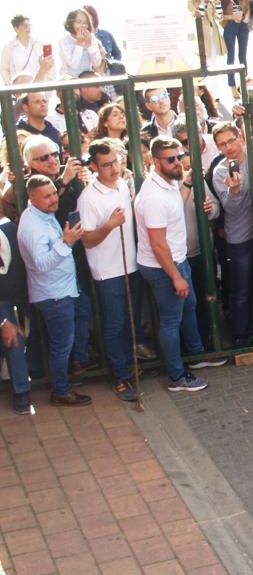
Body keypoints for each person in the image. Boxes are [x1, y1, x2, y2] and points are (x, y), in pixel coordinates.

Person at [134, 137, 210, 392]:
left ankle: (196, 355)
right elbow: (158, 244)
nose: (177, 161)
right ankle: (177, 377)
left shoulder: (167, 185)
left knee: (189, 305)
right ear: (156, 162)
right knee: (170, 320)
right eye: (171, 159)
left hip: (177, 260)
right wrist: (176, 277)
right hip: (164, 267)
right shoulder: (154, 196)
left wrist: (187, 183)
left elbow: (176, 203)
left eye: (179, 156)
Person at [17, 175, 93, 406]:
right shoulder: (32, 226)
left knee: (84, 313)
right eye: (47, 196)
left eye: (53, 193)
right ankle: (61, 390)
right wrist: (66, 242)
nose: (53, 199)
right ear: (32, 198)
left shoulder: (42, 214)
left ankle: (79, 361)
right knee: (62, 344)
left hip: (66, 289)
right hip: (54, 295)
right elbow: (40, 264)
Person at [77, 139, 141, 402]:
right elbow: (88, 239)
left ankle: (128, 366)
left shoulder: (122, 184)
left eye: (115, 162)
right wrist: (110, 225)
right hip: (108, 271)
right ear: (94, 166)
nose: (113, 169)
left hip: (131, 265)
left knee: (130, 320)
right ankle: (119, 375)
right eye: (106, 165)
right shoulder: (88, 197)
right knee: (115, 324)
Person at [170, 120, 225, 359]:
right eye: (176, 155)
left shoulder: (197, 179)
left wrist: (209, 208)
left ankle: (206, 341)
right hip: (178, 256)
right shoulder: (166, 186)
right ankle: (193, 350)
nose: (180, 159)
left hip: (201, 250)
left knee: (205, 299)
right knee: (184, 306)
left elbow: (216, 209)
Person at [210, 121, 253, 346]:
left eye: (231, 140)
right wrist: (234, 190)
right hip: (239, 237)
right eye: (222, 144)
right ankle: (241, 335)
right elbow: (231, 208)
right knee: (240, 289)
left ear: (240, 136)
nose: (229, 146)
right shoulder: (220, 170)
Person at [0, 215, 33, 414]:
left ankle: (22, 391)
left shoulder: (8, 226)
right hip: (4, 304)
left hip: (14, 298)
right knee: (14, 340)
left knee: (17, 340)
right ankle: (21, 394)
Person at [2, 15, 55, 86]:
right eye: (24, 25)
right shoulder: (8, 47)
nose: (28, 28)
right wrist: (12, 87)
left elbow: (50, 65)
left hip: (39, 88)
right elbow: (4, 69)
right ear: (16, 29)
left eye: (29, 25)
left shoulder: (38, 44)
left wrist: (48, 88)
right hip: (19, 90)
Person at [219, 0, 252, 74]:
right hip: (230, 26)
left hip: (243, 25)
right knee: (231, 56)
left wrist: (246, 17)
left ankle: (245, 80)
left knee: (243, 55)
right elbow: (219, 15)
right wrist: (232, 17)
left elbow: (247, 8)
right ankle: (232, 86)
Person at [187, 0, 227, 66]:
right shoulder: (191, 2)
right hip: (201, 35)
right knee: (204, 62)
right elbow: (198, 17)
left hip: (213, 33)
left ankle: (213, 79)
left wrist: (218, 2)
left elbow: (219, 17)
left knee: (213, 61)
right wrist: (201, 3)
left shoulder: (211, 1)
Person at [58, 8, 105, 78]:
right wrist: (79, 44)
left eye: (85, 23)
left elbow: (97, 63)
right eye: (79, 22)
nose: (82, 25)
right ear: (71, 23)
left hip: (86, 79)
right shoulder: (64, 41)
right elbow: (73, 64)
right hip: (68, 80)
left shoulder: (91, 38)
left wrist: (89, 45)